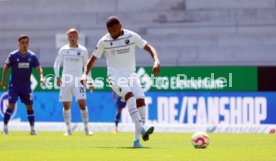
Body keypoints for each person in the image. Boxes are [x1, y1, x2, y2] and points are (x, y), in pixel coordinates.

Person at [82, 16, 161, 148]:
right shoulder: (104, 41)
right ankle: (142, 129)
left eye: (115, 30)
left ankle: (137, 141)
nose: (113, 33)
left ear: (120, 26)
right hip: (115, 75)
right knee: (130, 96)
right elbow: (91, 60)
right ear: (107, 30)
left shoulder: (131, 36)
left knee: (141, 101)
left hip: (131, 75)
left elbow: (149, 48)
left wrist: (156, 60)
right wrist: (84, 75)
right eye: (111, 31)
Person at [1, 35, 44, 135]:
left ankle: (32, 129)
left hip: (26, 86)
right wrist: (3, 81)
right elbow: (6, 68)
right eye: (22, 43)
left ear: (28, 44)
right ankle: (5, 127)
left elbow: (39, 68)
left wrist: (41, 77)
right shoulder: (13, 55)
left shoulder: (32, 56)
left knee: (29, 106)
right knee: (11, 105)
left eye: (26, 43)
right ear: (18, 44)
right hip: (14, 85)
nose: (24, 45)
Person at [54, 28, 93, 136]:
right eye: (70, 36)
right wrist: (57, 76)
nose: (72, 38)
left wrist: (89, 81)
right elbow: (56, 64)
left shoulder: (83, 50)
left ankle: (86, 129)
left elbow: (87, 66)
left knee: (82, 104)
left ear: (77, 37)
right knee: (66, 106)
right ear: (68, 38)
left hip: (78, 80)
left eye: (74, 36)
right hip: (66, 81)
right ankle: (68, 130)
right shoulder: (63, 50)